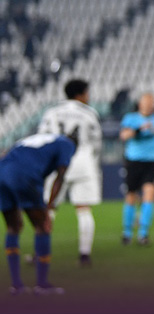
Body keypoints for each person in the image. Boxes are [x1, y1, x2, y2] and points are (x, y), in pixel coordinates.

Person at [0, 131, 77, 294]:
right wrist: (49, 207)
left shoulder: (40, 138)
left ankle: (16, 286)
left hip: (2, 171)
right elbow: (61, 176)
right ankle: (42, 284)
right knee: (43, 226)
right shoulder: (67, 144)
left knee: (13, 227)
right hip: (24, 175)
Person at [39, 78, 102, 266]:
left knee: (49, 208)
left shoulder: (52, 112)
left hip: (57, 163)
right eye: (86, 93)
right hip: (83, 163)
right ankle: (84, 255)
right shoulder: (89, 113)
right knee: (83, 209)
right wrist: (92, 160)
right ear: (80, 94)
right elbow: (97, 143)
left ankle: (40, 252)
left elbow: (43, 138)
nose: (88, 97)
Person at [119, 93, 154, 245]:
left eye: (152, 102)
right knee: (131, 195)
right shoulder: (131, 118)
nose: (149, 105)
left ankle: (143, 234)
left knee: (149, 194)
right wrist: (139, 130)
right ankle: (127, 233)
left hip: (151, 162)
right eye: (147, 102)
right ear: (140, 103)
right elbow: (124, 135)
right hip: (133, 161)